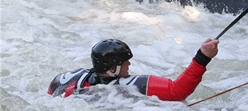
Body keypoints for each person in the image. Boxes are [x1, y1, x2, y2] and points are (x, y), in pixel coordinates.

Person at [48, 38, 220, 101]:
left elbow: (50, 96)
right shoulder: (132, 85)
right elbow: (177, 91)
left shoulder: (64, 80)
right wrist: (202, 57)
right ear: (113, 68)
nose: (129, 65)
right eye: (125, 62)